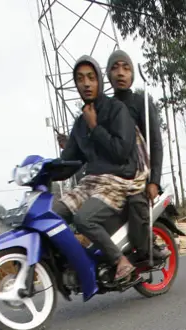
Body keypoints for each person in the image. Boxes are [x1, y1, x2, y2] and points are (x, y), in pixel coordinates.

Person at [54, 55, 147, 282]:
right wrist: (44, 171)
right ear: (75, 84)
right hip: (92, 182)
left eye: (91, 78)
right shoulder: (79, 122)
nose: (86, 83)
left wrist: (95, 127)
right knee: (52, 214)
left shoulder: (116, 109)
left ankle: (119, 261)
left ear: (99, 81)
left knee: (84, 219)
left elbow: (121, 151)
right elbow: (69, 163)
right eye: (80, 79)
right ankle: (68, 265)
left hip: (119, 178)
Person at [106, 49, 164, 268]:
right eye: (115, 68)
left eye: (126, 68)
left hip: (138, 175)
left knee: (135, 202)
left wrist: (154, 181)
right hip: (112, 177)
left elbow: (156, 143)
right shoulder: (105, 108)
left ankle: (147, 250)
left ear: (132, 75)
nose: (121, 73)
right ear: (109, 75)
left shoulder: (141, 103)